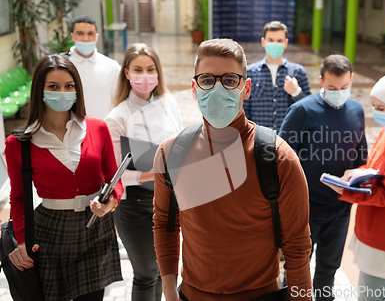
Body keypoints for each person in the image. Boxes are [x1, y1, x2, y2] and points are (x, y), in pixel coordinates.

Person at [153, 38, 312, 300]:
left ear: (246, 88)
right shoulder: (171, 153)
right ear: (194, 88)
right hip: (192, 295)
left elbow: (297, 246)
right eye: (207, 80)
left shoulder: (278, 158)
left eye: (229, 80)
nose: (217, 89)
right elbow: (166, 224)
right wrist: (169, 291)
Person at [5, 54, 124, 301]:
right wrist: (22, 239)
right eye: (53, 87)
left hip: (95, 228)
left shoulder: (97, 128)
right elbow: (17, 197)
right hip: (50, 230)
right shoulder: (19, 144)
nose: (63, 92)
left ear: (77, 90)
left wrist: (109, 202)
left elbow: (115, 180)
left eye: (69, 86)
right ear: (40, 91)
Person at [322, 72, 385, 301]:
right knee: (369, 290)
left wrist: (347, 192)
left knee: (373, 293)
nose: (376, 113)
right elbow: (375, 167)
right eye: (375, 106)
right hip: (373, 224)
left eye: (381, 108)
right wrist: (354, 174)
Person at [279, 54, 367, 301]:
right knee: (297, 268)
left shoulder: (357, 110)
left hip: (340, 208)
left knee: (329, 268)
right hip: (307, 208)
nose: (339, 92)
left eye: (344, 87)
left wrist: (357, 175)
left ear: (351, 80)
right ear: (321, 81)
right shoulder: (302, 110)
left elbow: (361, 155)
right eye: (332, 88)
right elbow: (282, 156)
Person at [105, 43, 183, 301]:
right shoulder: (118, 117)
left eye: (151, 69)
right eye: (138, 69)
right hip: (134, 205)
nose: (145, 75)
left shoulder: (169, 103)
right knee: (146, 273)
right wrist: (163, 170)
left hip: (167, 201)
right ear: (126, 73)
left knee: (164, 271)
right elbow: (117, 173)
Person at [243, 21, 311, 131]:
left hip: (289, 139)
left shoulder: (298, 72)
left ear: (286, 43)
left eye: (279, 41)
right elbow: (244, 109)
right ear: (263, 42)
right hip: (259, 138)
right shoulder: (250, 72)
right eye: (271, 40)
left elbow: (309, 109)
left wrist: (296, 92)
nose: (275, 44)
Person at [68, 15, 121, 119]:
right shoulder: (63, 66)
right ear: (72, 37)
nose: (85, 39)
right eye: (80, 34)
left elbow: (118, 102)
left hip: (104, 128)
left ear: (97, 37)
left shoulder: (112, 66)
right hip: (71, 130)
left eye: (90, 34)